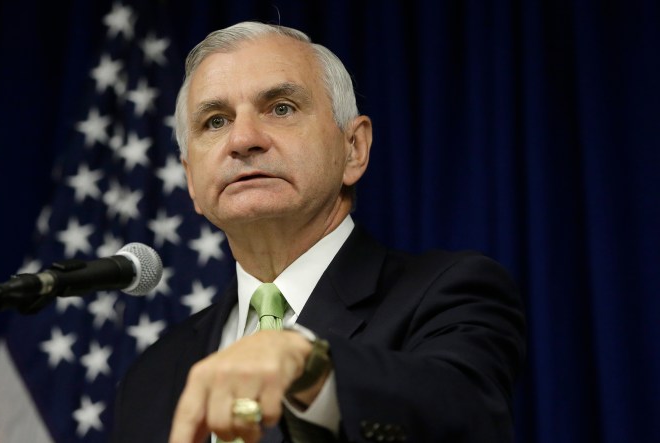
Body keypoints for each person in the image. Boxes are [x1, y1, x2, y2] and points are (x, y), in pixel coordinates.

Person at [111, 21, 525, 443]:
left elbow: (468, 412)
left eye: (281, 108)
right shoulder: (153, 374)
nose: (243, 139)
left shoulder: (449, 292)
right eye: (215, 121)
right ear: (192, 182)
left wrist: (310, 367)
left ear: (354, 148)